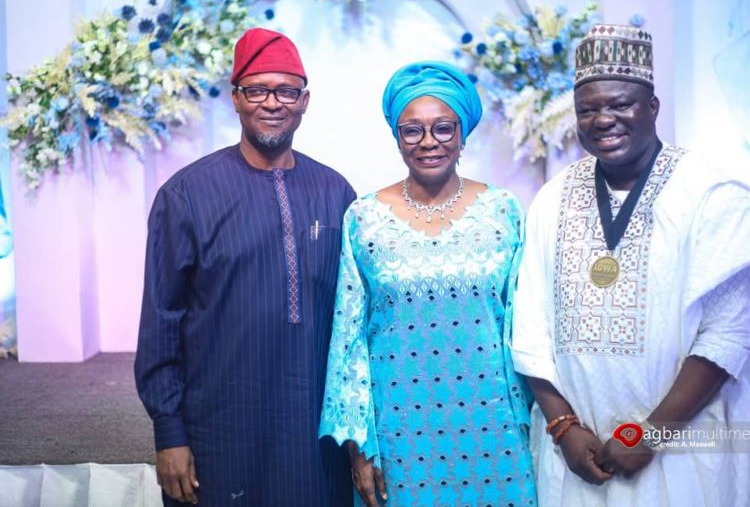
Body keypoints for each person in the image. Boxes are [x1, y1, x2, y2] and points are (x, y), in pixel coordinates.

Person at [512, 24, 750, 506]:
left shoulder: (710, 195)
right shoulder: (552, 199)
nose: (604, 119)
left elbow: (729, 331)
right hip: (577, 456)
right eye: (589, 109)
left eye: (620, 105)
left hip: (681, 448)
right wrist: (563, 427)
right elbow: (530, 328)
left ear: (653, 108)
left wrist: (652, 436)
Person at [135, 28, 355, 506]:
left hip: (315, 439)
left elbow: (353, 324)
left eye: (286, 91)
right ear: (235, 99)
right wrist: (169, 433)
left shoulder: (337, 193)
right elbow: (161, 322)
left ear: (304, 101)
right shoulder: (186, 195)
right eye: (257, 89)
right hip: (219, 434)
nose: (272, 102)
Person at [319, 61, 537, 507]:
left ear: (462, 133)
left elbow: (525, 322)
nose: (428, 142)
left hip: (493, 427)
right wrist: (359, 448)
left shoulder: (504, 211)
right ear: (397, 137)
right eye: (411, 130)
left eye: (442, 128)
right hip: (398, 434)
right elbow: (348, 339)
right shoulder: (364, 218)